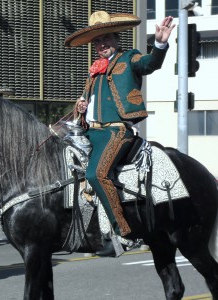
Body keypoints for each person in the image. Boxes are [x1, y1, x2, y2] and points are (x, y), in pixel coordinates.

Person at [65, 11, 175, 255]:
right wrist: (80, 107)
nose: (101, 44)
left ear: (116, 39)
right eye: (97, 41)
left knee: (96, 173)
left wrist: (159, 43)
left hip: (116, 132)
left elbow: (151, 63)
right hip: (89, 132)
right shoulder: (93, 72)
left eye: (106, 38)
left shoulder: (129, 58)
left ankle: (125, 233)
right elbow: (85, 103)